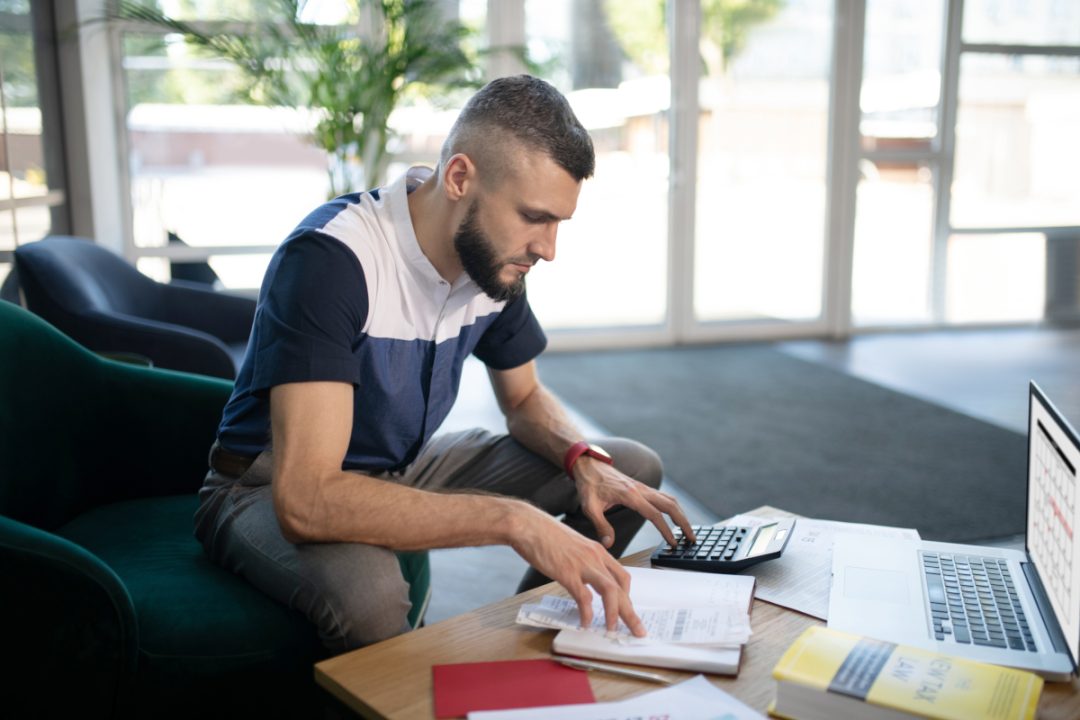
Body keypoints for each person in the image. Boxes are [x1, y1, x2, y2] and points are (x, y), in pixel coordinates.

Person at [194, 74, 695, 652]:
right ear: (459, 177)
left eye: (559, 222)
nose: (548, 248)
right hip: (266, 484)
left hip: (398, 465)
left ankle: (530, 644)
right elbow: (307, 499)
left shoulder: (493, 260)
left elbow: (524, 399)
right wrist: (514, 521)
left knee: (628, 469)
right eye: (534, 216)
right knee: (370, 595)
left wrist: (581, 458)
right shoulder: (333, 259)